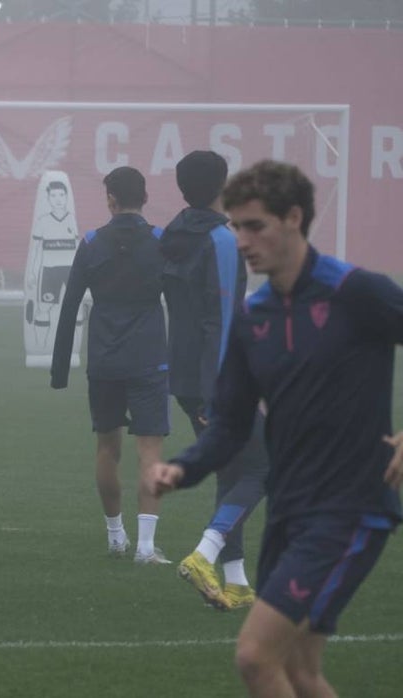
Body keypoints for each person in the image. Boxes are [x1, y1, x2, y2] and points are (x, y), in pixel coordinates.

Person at [145, 159, 403, 697]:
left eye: (254, 225)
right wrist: (181, 468)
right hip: (290, 510)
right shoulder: (255, 316)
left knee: (256, 658)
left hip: (350, 507)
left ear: (293, 218)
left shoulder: (358, 293)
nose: (241, 239)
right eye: (235, 225)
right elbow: (230, 426)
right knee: (298, 671)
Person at [160, 150, 268, 609]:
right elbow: (220, 321)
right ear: (222, 187)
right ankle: (205, 553)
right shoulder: (222, 241)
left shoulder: (169, 235)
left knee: (233, 468)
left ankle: (237, 581)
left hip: (183, 374)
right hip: (214, 378)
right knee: (268, 464)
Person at [51, 165, 170, 564]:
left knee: (107, 447)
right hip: (149, 356)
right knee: (150, 450)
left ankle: (116, 536)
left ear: (110, 200)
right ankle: (146, 547)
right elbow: (184, 299)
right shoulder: (160, 241)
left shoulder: (91, 242)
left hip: (104, 356)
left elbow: (70, 307)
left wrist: (59, 370)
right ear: (145, 199)